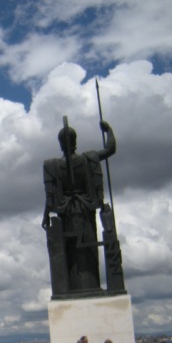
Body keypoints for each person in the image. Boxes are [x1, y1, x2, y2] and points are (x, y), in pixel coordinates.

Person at [42, 120, 123, 297]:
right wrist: (108, 131)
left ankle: (80, 288)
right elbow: (110, 149)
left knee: (74, 251)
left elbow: (50, 196)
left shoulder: (52, 165)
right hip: (84, 210)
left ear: (60, 143)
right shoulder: (88, 159)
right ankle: (87, 286)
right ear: (75, 141)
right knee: (84, 249)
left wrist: (46, 214)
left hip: (68, 212)